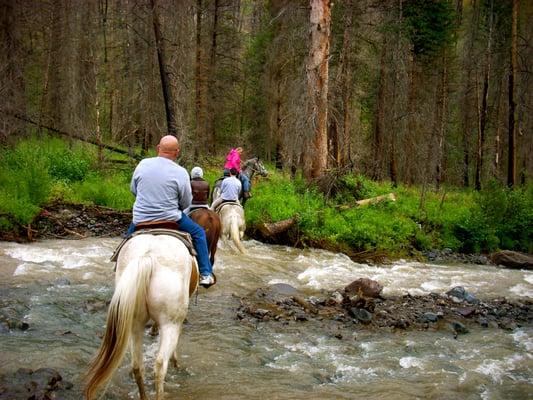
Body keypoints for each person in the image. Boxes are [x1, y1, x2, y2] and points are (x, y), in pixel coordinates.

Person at [129, 135, 215, 287]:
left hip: (140, 218)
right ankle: (206, 273)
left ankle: (117, 263)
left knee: (127, 240)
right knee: (199, 233)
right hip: (171, 218)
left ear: (158, 148)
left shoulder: (142, 164)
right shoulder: (181, 172)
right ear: (177, 152)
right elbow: (186, 202)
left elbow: (133, 190)